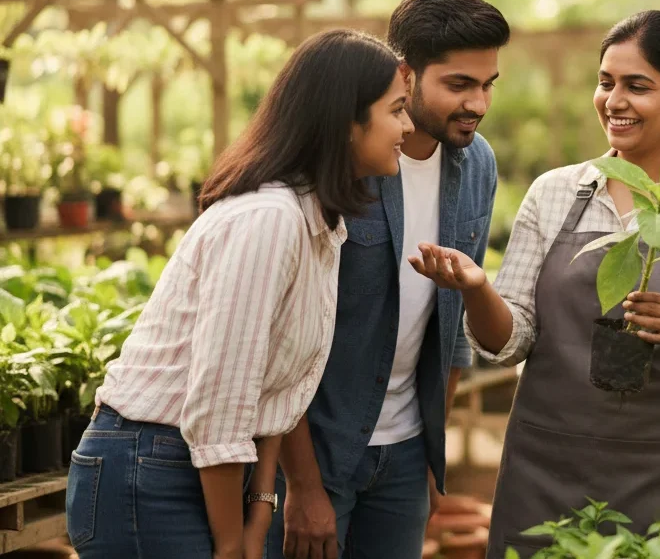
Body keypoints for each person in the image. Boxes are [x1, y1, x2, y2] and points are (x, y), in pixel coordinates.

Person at [411, 10, 660, 558]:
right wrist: (476, 289)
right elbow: (510, 339)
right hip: (548, 475)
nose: (614, 100)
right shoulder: (554, 194)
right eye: (606, 83)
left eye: (638, 86)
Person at [65, 29, 414, 559]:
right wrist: (232, 544)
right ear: (347, 122)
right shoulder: (268, 221)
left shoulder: (321, 224)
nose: (407, 127)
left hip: (199, 465)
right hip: (152, 465)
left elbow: (279, 387)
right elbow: (220, 398)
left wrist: (260, 506)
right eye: (397, 110)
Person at [267, 0, 510, 559]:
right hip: (318, 443)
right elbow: (281, 339)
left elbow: (451, 334)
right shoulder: (347, 161)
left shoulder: (477, 164)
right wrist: (301, 483)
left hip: (405, 454)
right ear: (405, 74)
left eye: (487, 85)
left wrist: (430, 456)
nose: (477, 103)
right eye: (458, 85)